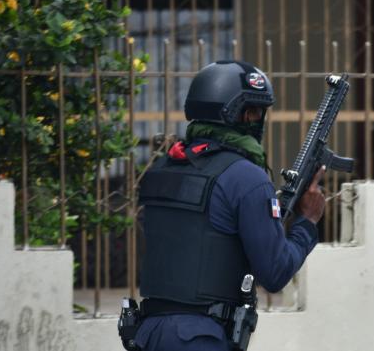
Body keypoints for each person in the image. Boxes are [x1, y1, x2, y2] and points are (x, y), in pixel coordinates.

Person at [133, 60, 326, 351]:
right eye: (254, 111)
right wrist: (307, 222)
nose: (257, 120)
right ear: (239, 114)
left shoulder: (163, 167)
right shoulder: (246, 177)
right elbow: (275, 273)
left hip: (148, 333)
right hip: (200, 338)